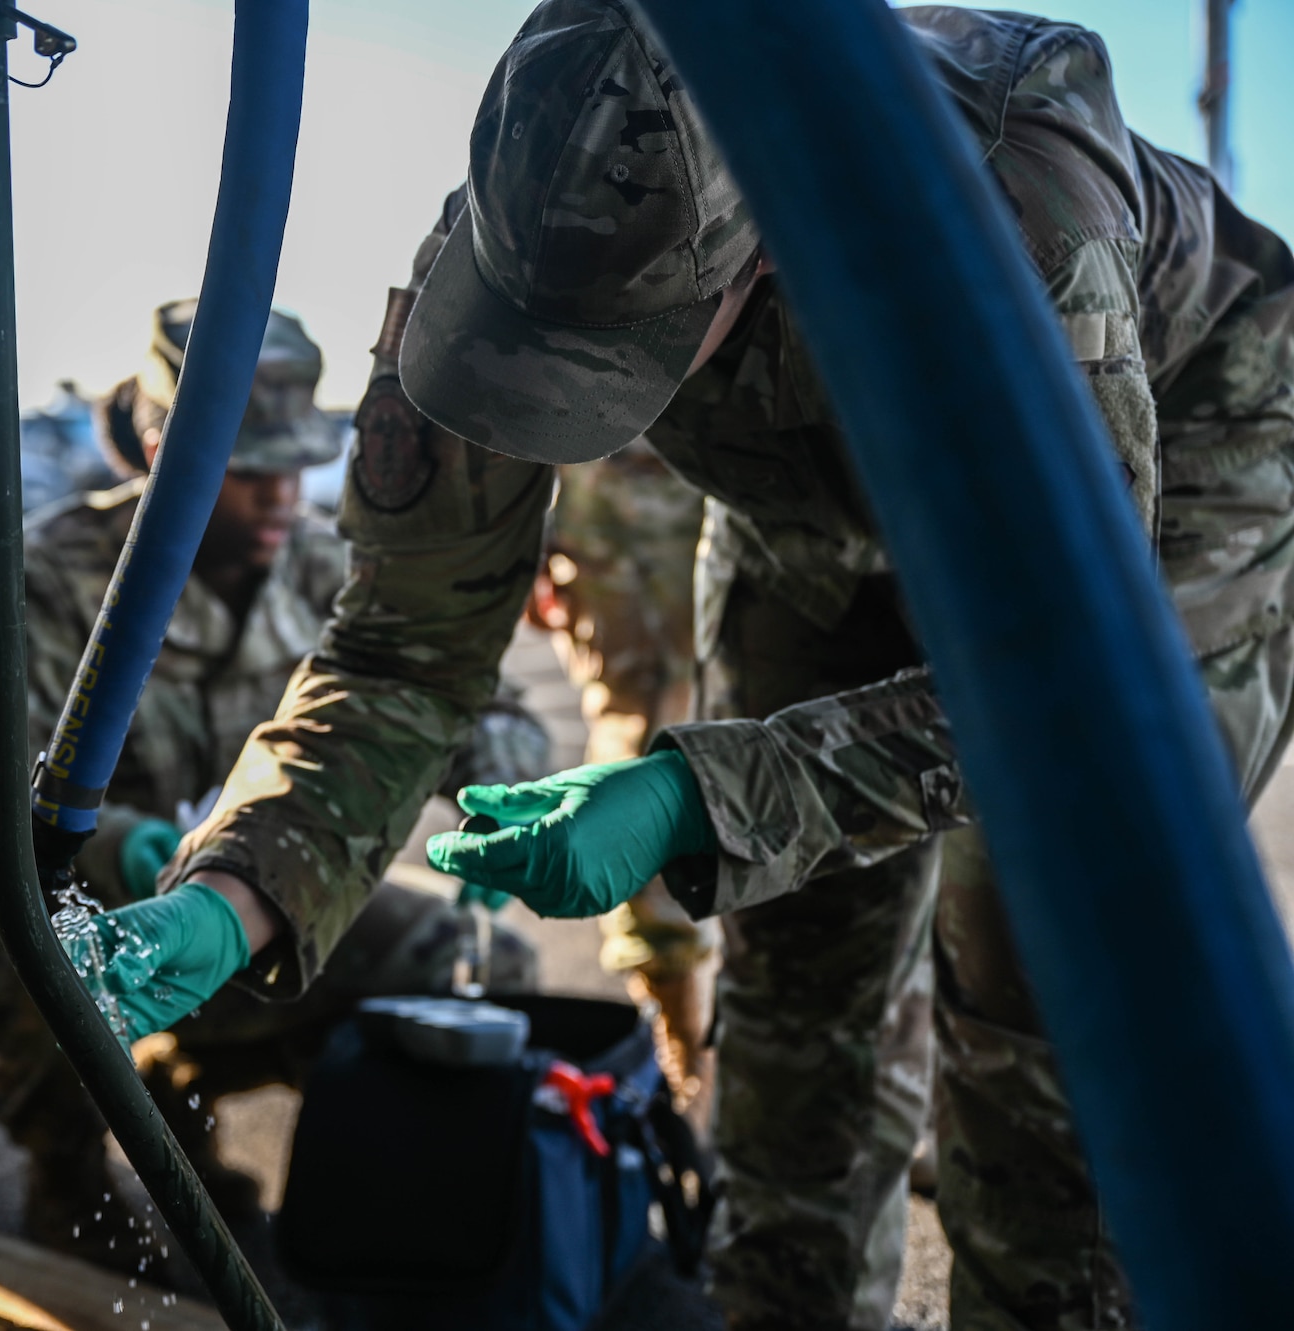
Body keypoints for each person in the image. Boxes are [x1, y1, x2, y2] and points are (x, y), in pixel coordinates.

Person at [90, 5, 1294, 1328]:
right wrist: (241, 884)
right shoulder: (517, 255)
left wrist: (701, 794)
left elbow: (1068, 694)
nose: (564, 394)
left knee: (1045, 1029)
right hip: (812, 518)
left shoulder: (1008, 206)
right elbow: (403, 646)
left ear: (762, 251)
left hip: (1178, 469)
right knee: (793, 1007)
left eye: (622, 355)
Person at [0, 300, 547, 1271]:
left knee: (469, 960)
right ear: (162, 451)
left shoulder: (328, 565)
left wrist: (501, 788)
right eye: (249, 468)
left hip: (244, 905)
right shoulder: (57, 572)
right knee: (33, 932)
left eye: (294, 462)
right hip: (93, 901)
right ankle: (68, 1172)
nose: (281, 492)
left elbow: (470, 703)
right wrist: (121, 846)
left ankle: (316, 1154)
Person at [532, 437, 719, 1113]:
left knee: (779, 738)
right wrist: (523, 532)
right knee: (641, 753)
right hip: (605, 477)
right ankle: (687, 1052)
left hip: (730, 471)